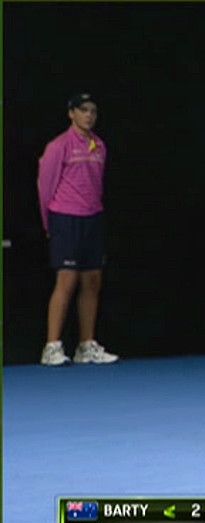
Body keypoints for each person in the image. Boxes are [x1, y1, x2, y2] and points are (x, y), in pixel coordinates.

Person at [37, 92, 119, 366]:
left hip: (92, 217)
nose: (89, 115)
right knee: (67, 279)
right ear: (71, 113)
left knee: (92, 280)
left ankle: (86, 345)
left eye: (93, 111)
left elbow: (97, 185)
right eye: (83, 110)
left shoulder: (99, 146)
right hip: (65, 217)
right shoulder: (58, 146)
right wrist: (49, 223)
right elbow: (45, 186)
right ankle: (52, 346)